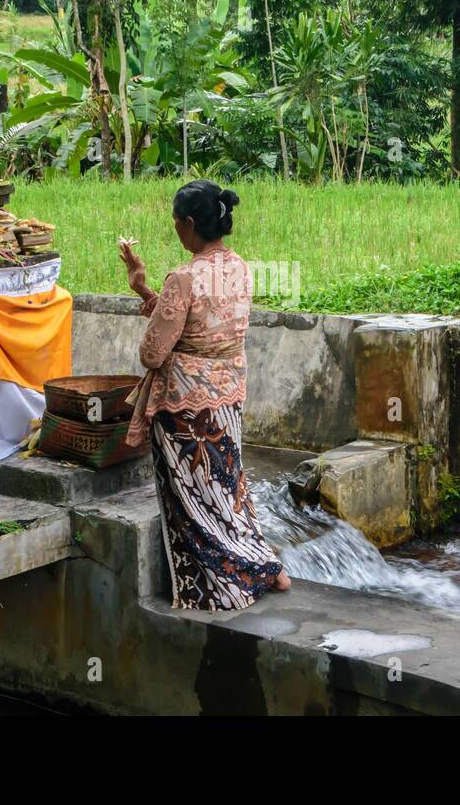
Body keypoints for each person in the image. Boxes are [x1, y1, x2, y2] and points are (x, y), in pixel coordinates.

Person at [118, 180, 292, 610]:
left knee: (198, 506)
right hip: (228, 396)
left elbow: (153, 352)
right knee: (229, 489)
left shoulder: (184, 278)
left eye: (177, 222)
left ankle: (237, 578)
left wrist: (151, 302)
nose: (176, 229)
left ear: (190, 223)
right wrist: (141, 287)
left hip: (187, 411)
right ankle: (268, 563)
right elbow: (198, 325)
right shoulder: (240, 267)